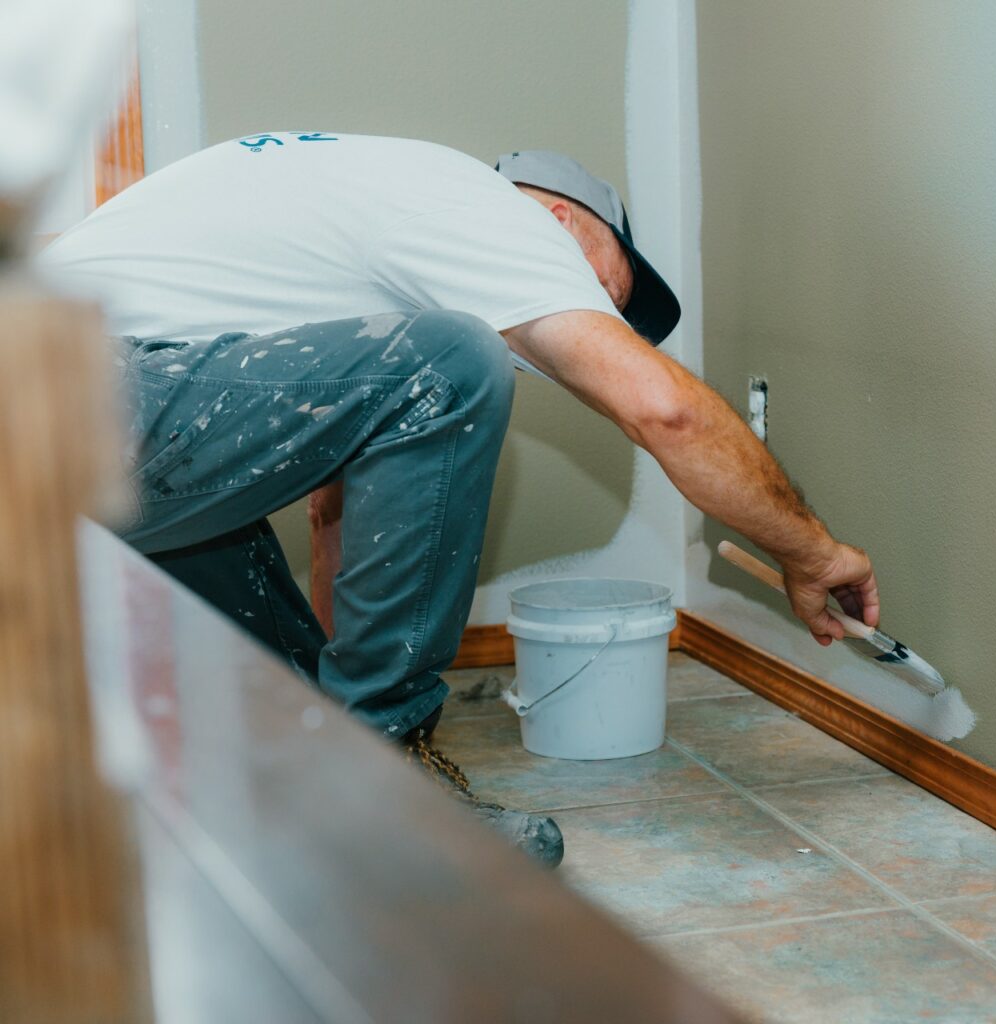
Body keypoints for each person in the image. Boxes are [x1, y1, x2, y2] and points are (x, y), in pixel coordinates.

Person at [42, 134, 879, 869]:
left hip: (76, 419)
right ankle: (374, 805)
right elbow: (669, 411)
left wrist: (339, 706)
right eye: (605, 288)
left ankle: (298, 797)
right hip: (71, 392)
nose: (601, 317)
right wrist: (815, 554)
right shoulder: (485, 211)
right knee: (454, 360)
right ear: (558, 219)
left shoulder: (362, 231)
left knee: (281, 659)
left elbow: (336, 531)